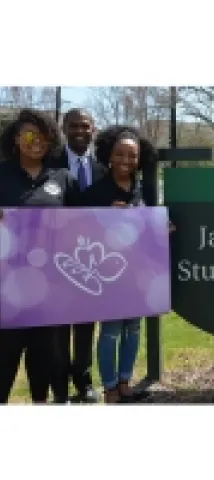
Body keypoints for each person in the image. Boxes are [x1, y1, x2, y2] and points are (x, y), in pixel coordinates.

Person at [0, 108, 80, 404]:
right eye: (30, 134)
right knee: (4, 361)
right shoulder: (2, 175)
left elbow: (88, 225)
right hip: (6, 289)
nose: (37, 141)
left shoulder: (63, 179)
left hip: (49, 289)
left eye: (44, 136)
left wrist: (136, 220)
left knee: (42, 364)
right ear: (16, 138)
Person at [81, 125, 160, 403]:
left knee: (133, 328)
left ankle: (126, 383)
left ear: (140, 158)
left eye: (132, 155)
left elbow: (149, 224)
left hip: (138, 272)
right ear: (109, 156)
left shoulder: (144, 189)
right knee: (112, 330)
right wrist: (106, 218)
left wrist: (162, 227)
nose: (126, 160)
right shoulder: (95, 193)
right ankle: (111, 388)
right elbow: (82, 232)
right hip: (109, 272)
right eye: (120, 154)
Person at [50, 108, 107, 403]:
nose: (80, 131)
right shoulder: (50, 164)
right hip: (54, 257)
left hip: (91, 260)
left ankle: (83, 383)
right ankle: (59, 388)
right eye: (74, 126)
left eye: (85, 126)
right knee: (59, 327)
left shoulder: (103, 170)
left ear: (93, 130)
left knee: (86, 325)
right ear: (64, 128)